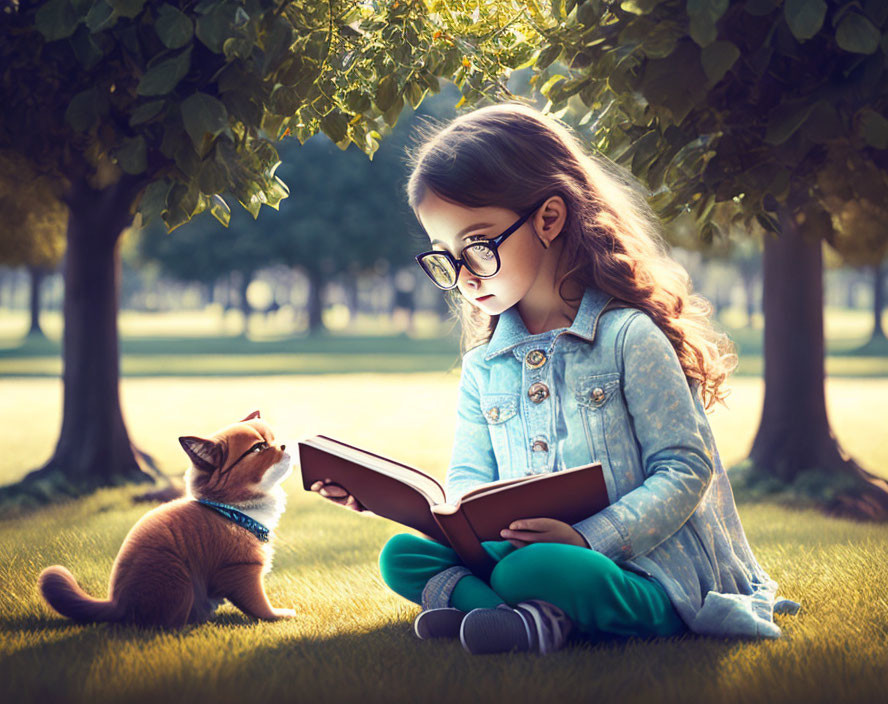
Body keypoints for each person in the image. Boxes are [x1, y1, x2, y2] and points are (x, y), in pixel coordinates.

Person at [311, 102, 800, 655]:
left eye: (477, 245)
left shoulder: (627, 337)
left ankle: (494, 607)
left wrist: (591, 538)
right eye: (446, 257)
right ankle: (517, 620)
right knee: (402, 556)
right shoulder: (484, 363)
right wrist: (400, 505)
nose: (464, 277)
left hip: (639, 565)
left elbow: (686, 469)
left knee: (541, 568)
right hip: (522, 552)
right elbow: (471, 476)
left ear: (548, 218)